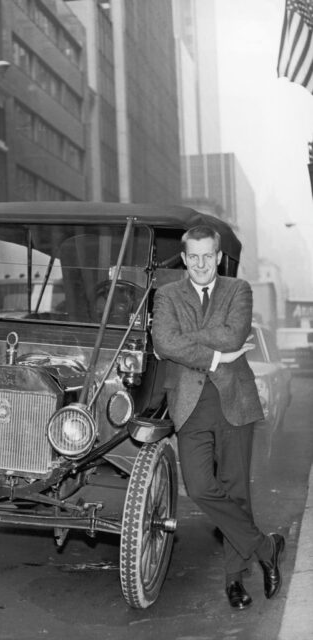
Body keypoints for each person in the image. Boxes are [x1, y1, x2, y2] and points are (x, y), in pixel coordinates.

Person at [151, 225, 285, 610]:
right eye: (192, 256)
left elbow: (233, 335)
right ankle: (265, 546)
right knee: (198, 487)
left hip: (235, 402)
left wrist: (186, 341)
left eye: (207, 256)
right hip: (190, 405)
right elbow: (163, 341)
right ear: (184, 257)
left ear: (219, 256)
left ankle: (234, 581)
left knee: (236, 491)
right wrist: (213, 357)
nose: (200, 264)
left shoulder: (238, 290)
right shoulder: (167, 294)